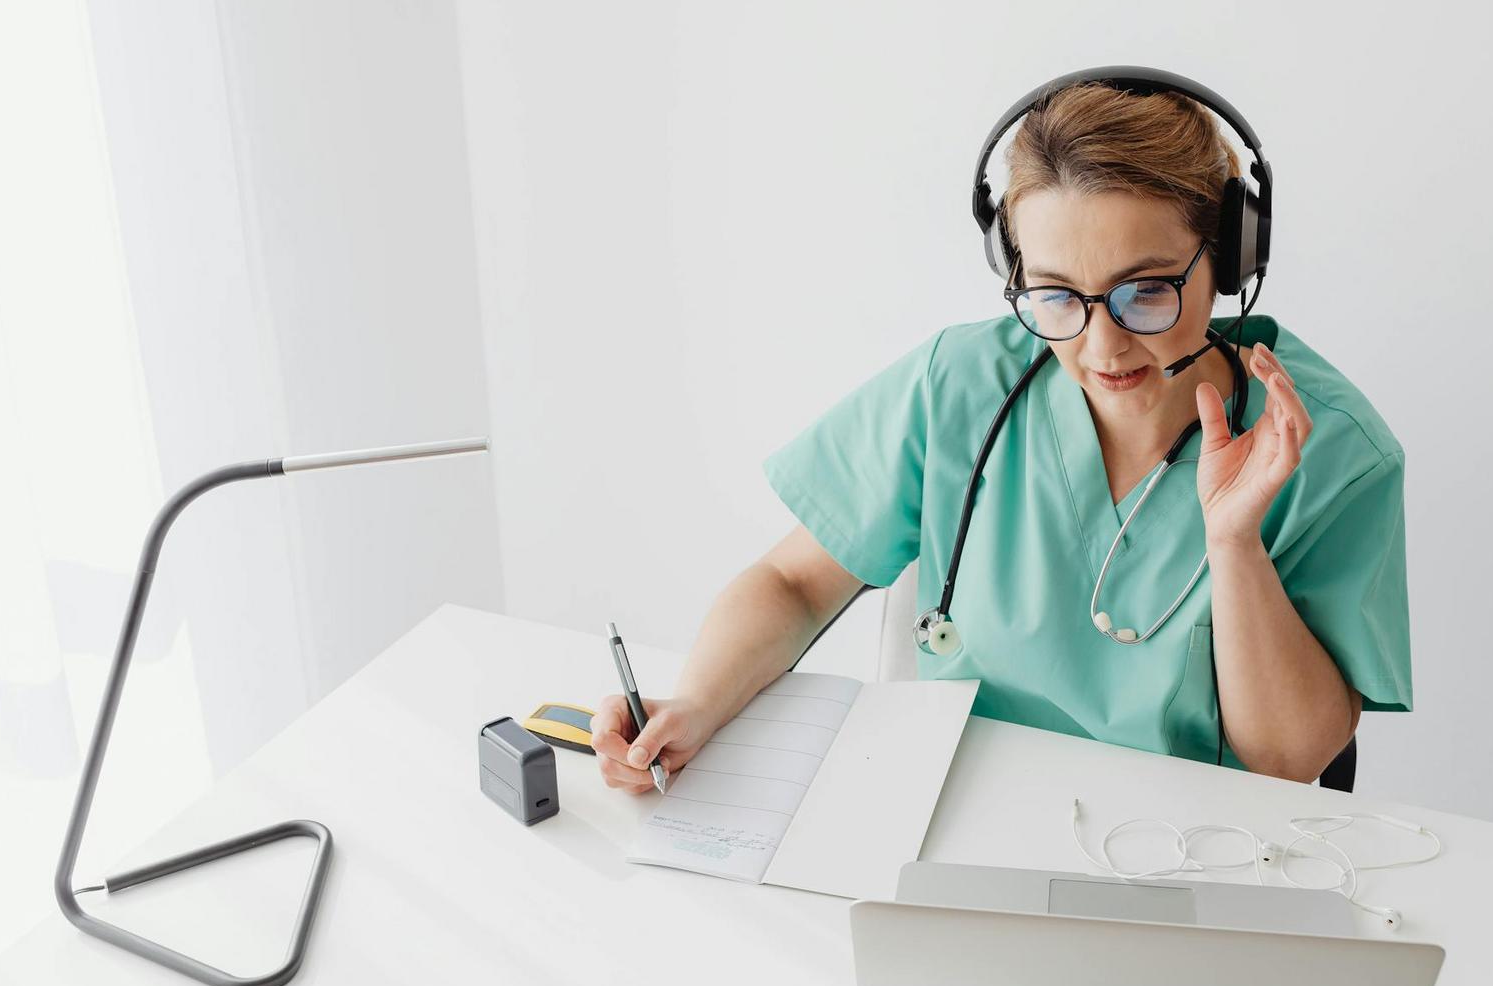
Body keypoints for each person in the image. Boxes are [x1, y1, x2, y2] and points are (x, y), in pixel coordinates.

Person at [592, 75, 1411, 790]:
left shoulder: (1331, 450)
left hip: (1194, 858)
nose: (1101, 345)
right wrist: (695, 701)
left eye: (1146, 291)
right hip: (961, 827)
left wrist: (1235, 546)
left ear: (1228, 256)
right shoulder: (960, 388)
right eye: (1056, 296)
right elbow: (796, 585)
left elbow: (1288, 764)